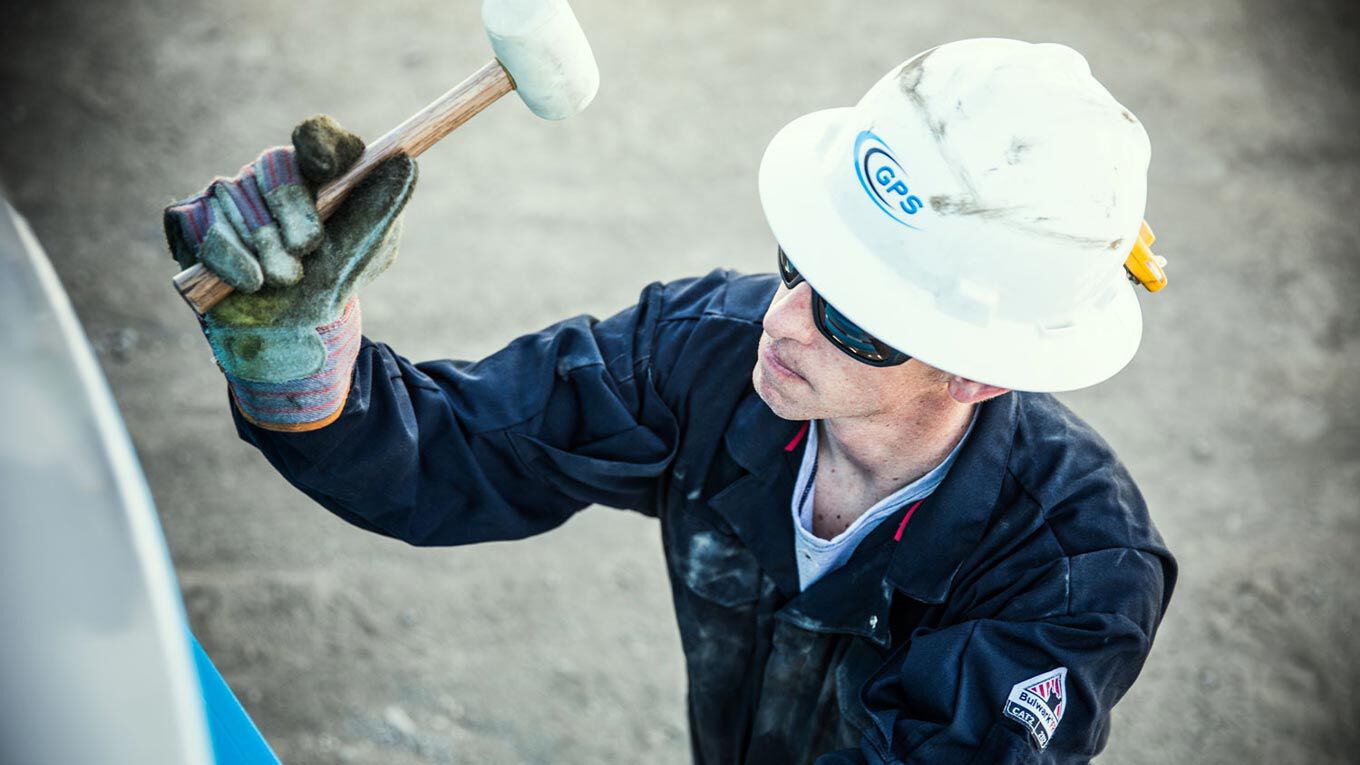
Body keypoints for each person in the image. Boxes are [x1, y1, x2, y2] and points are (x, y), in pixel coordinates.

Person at [164, 38, 1176, 764]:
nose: (783, 323)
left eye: (859, 321)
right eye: (799, 267)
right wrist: (295, 353)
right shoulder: (708, 354)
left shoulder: (1074, 573)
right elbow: (454, 457)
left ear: (978, 370)